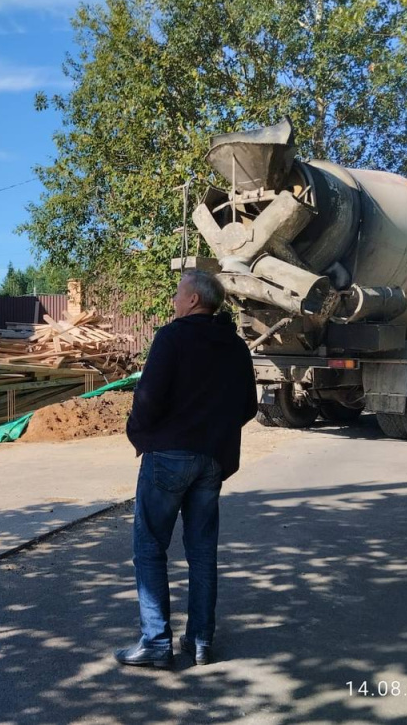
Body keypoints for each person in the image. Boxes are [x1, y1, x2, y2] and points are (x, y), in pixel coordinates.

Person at [115, 270, 257, 668]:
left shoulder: (173, 337)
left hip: (168, 457)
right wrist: (214, 433)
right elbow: (248, 406)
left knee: (149, 548)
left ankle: (156, 643)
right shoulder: (235, 346)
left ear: (194, 300)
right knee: (202, 552)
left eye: (178, 294)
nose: (174, 301)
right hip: (213, 461)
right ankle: (200, 642)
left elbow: (147, 398)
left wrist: (138, 434)